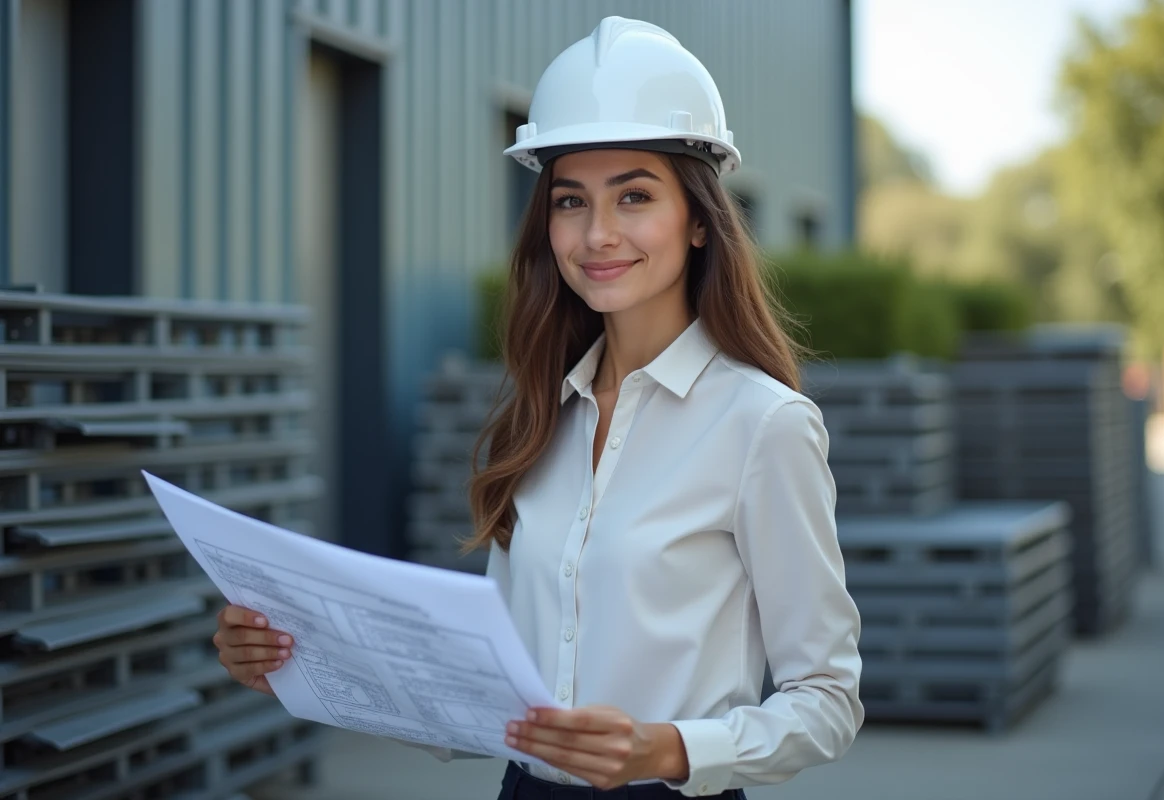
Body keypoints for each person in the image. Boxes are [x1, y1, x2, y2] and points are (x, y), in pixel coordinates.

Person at [212, 16, 863, 799]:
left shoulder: (762, 425)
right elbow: (490, 702)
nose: (597, 234)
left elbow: (828, 702)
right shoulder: (543, 417)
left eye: (634, 196)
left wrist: (666, 750)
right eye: (569, 201)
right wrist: (298, 659)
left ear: (698, 219)